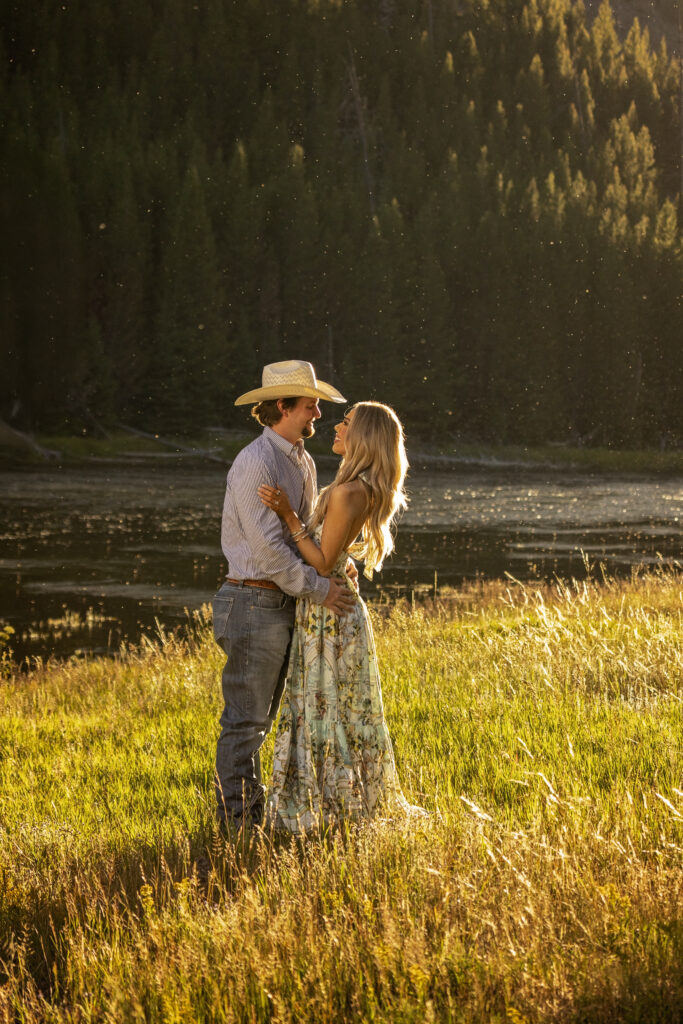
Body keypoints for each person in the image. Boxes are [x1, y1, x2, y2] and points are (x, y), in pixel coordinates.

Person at [257, 400, 419, 833]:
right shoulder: (357, 488)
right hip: (333, 605)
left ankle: (330, 804)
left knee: (325, 702)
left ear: (362, 436)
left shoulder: (349, 492)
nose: (335, 426)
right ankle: (339, 800)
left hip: (330, 609)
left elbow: (323, 562)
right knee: (338, 705)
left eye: (345, 423)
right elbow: (336, 556)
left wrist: (288, 515)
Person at [214, 359, 356, 830]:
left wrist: (336, 561)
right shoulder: (257, 461)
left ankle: (253, 818)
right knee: (245, 723)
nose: (318, 413)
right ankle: (237, 826)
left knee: (262, 722)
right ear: (282, 405)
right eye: (311, 405)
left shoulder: (303, 459)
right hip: (252, 602)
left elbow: (305, 533)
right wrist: (321, 590)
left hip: (278, 604)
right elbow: (271, 554)